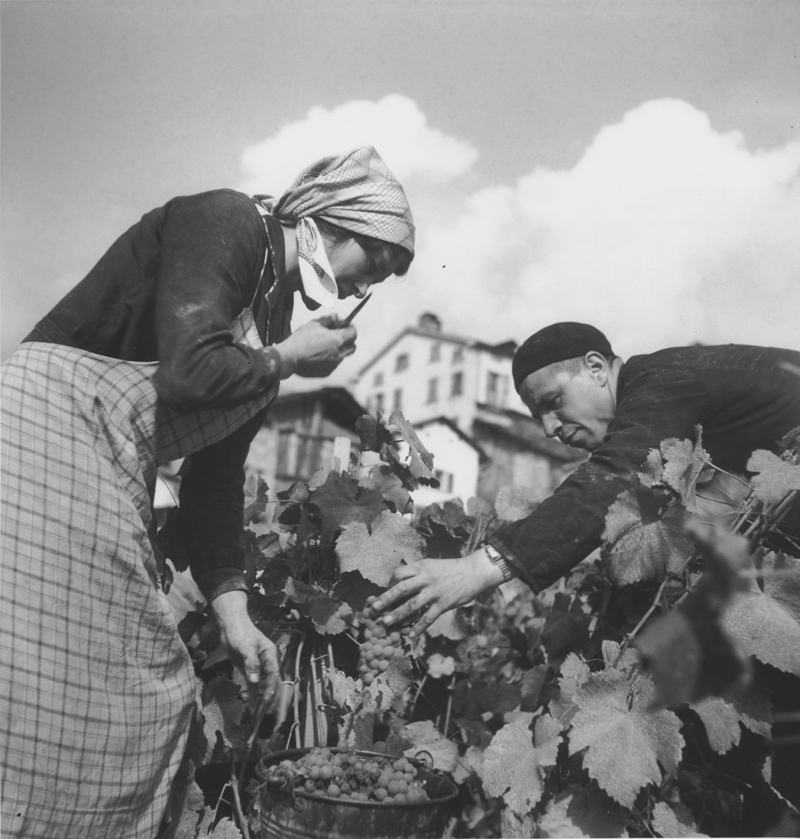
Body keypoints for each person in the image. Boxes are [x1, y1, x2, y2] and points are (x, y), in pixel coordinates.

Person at [0, 146, 414, 839]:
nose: (355, 290)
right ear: (331, 221)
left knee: (135, 679)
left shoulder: (271, 317)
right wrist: (285, 361)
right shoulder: (228, 222)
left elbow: (214, 485)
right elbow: (189, 370)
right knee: (110, 672)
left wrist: (235, 611)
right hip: (44, 433)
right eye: (369, 265)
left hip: (110, 452)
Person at [372, 322, 800, 632]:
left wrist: (477, 569)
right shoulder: (678, 384)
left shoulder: (661, 380)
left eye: (553, 401)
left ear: (597, 367)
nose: (549, 428)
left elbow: (616, 477)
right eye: (538, 415)